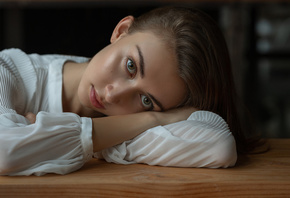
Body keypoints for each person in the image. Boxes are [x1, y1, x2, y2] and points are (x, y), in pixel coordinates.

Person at [0, 6, 244, 176]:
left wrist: (151, 119)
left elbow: (218, 146)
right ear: (121, 31)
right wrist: (151, 118)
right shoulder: (7, 69)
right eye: (131, 66)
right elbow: (5, 152)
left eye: (146, 100)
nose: (114, 94)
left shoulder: (135, 118)